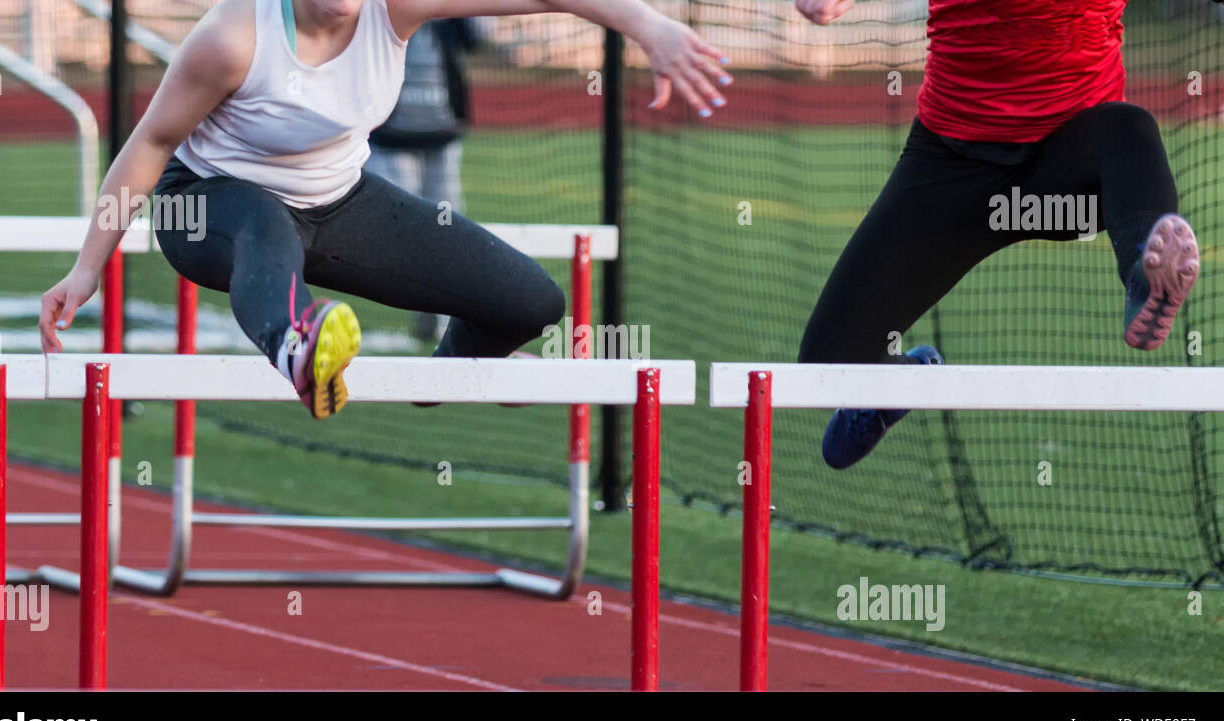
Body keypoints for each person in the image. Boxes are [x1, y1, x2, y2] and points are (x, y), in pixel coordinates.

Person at [39, 0, 731, 419]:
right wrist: (85, 270)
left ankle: (443, 381)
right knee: (263, 221)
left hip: (339, 203)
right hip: (209, 208)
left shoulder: (395, 8)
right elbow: (150, 142)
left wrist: (650, 26)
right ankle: (298, 349)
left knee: (530, 302)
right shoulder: (233, 38)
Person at [794, 0, 1224, 469]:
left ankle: (1144, 271)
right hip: (955, 171)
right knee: (826, 364)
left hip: (1068, 184)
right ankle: (899, 386)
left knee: (1129, 129)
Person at [366, 17, 482, 342]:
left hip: (441, 136)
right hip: (391, 139)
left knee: (446, 228)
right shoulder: (383, 12)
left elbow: (477, 38)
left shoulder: (450, 12)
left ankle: (437, 312)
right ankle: (423, 301)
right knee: (401, 229)